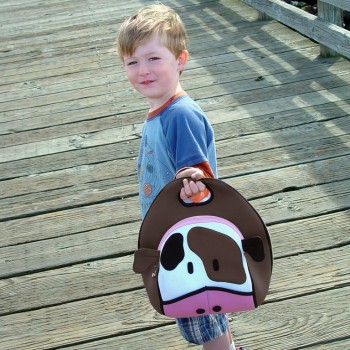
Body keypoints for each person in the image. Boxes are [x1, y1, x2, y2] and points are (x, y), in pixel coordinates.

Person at [116, 4, 244, 350]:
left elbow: (198, 172)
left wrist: (191, 178)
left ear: (180, 60)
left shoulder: (180, 115)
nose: (143, 70)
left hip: (187, 234)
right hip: (174, 228)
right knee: (209, 305)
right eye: (132, 62)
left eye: (153, 59)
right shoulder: (162, 109)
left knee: (199, 307)